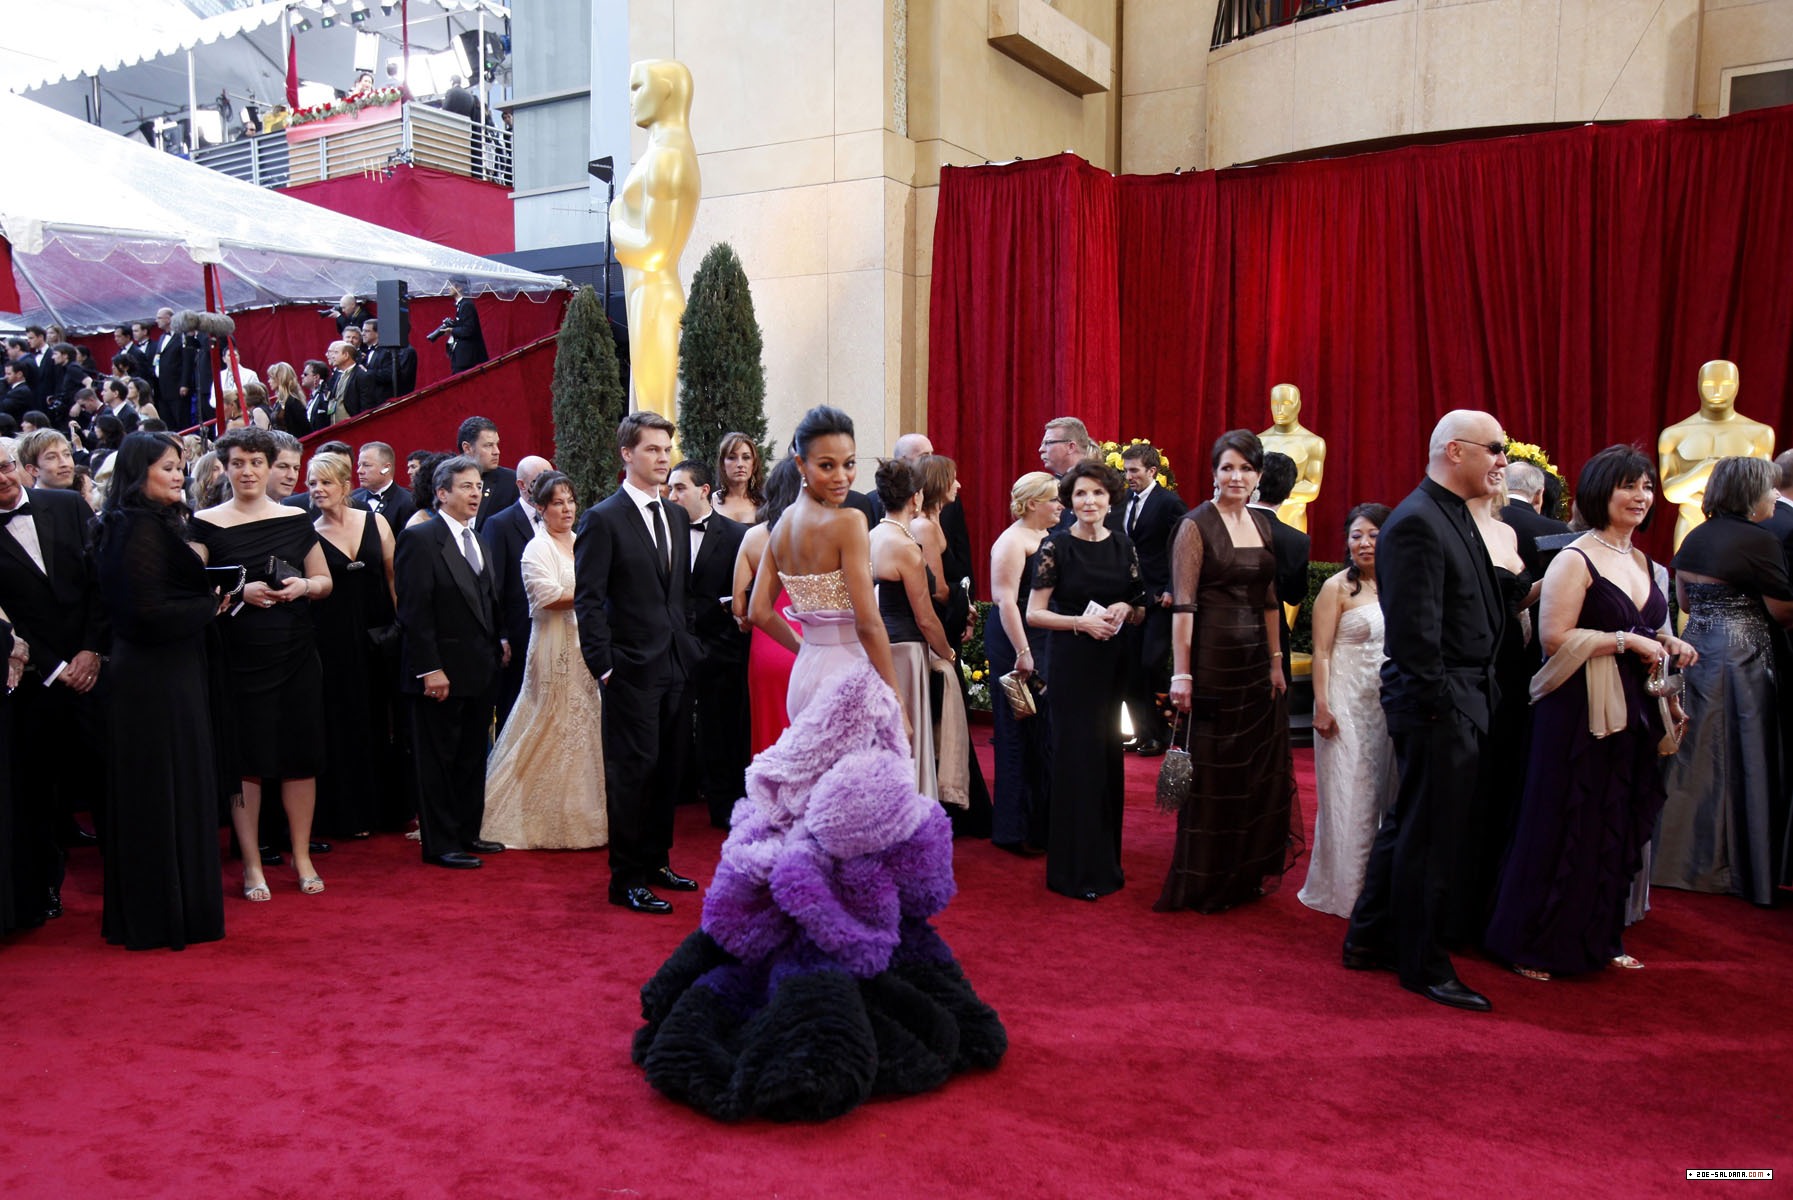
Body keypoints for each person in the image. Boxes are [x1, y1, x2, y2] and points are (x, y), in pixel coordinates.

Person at [631, 403, 1005, 1121]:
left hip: (810, 672)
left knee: (807, 808)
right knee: (846, 822)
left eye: (848, 464)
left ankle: (795, 933)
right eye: (826, 464)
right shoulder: (848, 524)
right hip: (851, 674)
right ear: (800, 463)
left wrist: (805, 646)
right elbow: (868, 620)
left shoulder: (776, 527)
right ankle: (842, 949)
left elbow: (756, 611)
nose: (839, 476)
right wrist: (890, 695)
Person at [1486, 445, 1698, 979]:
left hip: (1635, 710)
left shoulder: (1645, 562)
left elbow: (1654, 629)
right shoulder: (1573, 558)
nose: (1641, 496)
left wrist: (1670, 643)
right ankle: (1532, 942)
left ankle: (1600, 936)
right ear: (1602, 491)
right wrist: (1628, 641)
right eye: (1629, 486)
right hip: (1576, 711)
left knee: (1615, 823)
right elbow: (1554, 639)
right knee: (1564, 820)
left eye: (1647, 487)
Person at [1343, 411, 1507, 1012]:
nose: (1503, 460)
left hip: (1456, 697)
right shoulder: (1417, 520)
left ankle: (1368, 939)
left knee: (1410, 824)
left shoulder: (1452, 512)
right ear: (1455, 451)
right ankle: (1423, 963)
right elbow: (1415, 637)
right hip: (1439, 703)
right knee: (1432, 838)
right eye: (1495, 448)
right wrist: (1444, 707)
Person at [1157, 430, 1301, 916]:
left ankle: (1244, 872)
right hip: (1212, 662)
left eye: (1246, 469)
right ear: (1214, 473)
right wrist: (1182, 675)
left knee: (1254, 768)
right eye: (1228, 468)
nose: (1236, 477)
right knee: (1215, 769)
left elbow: (1269, 601)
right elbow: (1184, 606)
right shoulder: (1194, 525)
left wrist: (1276, 662)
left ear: (1258, 476)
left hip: (1257, 665)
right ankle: (1205, 879)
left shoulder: (1261, 524)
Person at [93, 433, 227, 949]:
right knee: (161, 790)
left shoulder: (143, 522)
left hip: (166, 670)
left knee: (171, 787)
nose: (178, 475)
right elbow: (145, 615)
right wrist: (213, 603)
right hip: (154, 678)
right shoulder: (137, 527)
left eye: (179, 466)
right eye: (167, 467)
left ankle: (170, 910)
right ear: (138, 472)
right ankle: (163, 915)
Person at [189, 429, 334, 900]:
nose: (247, 471)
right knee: (245, 762)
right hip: (238, 657)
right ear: (225, 468)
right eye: (238, 463)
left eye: (255, 462)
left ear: (269, 466)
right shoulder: (204, 523)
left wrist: (303, 587)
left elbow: (324, 580)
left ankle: (302, 856)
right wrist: (239, 592)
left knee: (300, 757)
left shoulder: (295, 518)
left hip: (295, 650)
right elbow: (191, 587)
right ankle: (252, 865)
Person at [574, 411, 702, 914]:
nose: (663, 458)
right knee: (632, 773)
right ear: (627, 454)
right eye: (652, 449)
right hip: (628, 669)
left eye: (667, 450)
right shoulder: (602, 519)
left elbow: (678, 592)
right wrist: (604, 666)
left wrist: (686, 646)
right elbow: (588, 601)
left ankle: (656, 862)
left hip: (674, 665)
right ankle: (625, 878)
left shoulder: (675, 515)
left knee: (669, 771)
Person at [1656, 456, 1793, 905]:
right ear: (1750, 494)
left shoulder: (1695, 535)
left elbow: (1685, 603)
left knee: (1694, 753)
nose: (1775, 496)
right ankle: (1734, 869)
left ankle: (1677, 861)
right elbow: (1782, 612)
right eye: (1769, 489)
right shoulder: (1760, 541)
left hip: (1696, 651)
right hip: (1742, 659)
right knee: (1743, 755)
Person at [1027, 460, 1144, 900]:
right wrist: (1081, 623)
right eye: (1080, 494)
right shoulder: (1055, 546)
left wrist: (1125, 609)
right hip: (1072, 664)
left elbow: (1140, 606)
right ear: (1070, 501)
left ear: (1111, 499)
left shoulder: (1123, 545)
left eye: (1097, 493)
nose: (1089, 501)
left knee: (1108, 757)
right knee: (1076, 761)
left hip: (1111, 663)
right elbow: (1034, 613)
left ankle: (1105, 865)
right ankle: (1072, 871)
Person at [0, 437, 105, 923]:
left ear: (20, 467)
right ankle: (45, 886)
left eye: (4, 466)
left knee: (110, 779)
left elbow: (101, 581)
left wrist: (90, 650)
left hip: (95, 670)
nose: (1, 478)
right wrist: (56, 666)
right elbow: (7, 618)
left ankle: (126, 877)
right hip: (32, 683)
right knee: (37, 791)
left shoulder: (67, 505)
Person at [481, 471, 608, 849]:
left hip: (585, 647)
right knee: (552, 721)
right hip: (553, 648)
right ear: (540, 508)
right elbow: (546, 598)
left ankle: (585, 817)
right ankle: (535, 815)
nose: (567, 509)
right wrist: (593, 592)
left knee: (585, 724)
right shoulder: (537, 548)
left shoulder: (581, 541)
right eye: (557, 503)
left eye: (570, 501)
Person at [393, 455, 509, 869]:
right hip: (439, 672)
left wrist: (500, 641)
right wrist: (430, 669)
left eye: (479, 486)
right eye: (465, 486)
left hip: (480, 669)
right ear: (441, 493)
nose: (476, 494)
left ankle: (467, 832)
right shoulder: (420, 539)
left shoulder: (477, 537)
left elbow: (486, 600)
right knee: (438, 759)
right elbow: (414, 611)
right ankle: (441, 843)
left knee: (472, 755)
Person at [1446, 472, 1539, 944]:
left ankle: (1491, 905)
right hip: (1471, 669)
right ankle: (1452, 912)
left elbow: (1514, 601)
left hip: (1514, 668)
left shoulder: (1507, 531)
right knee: (1468, 786)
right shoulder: (1451, 528)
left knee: (1503, 781)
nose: (1496, 469)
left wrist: (1553, 582)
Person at [1300, 503, 1397, 918]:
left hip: (1388, 703)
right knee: (1348, 794)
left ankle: (1379, 889)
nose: (1364, 543)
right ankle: (1344, 890)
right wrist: (1322, 705)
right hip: (1343, 701)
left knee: (1385, 793)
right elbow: (1321, 653)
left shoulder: (1399, 583)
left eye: (1374, 535)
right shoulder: (1336, 588)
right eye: (1357, 536)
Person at [307, 452, 398, 839]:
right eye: (312, 483)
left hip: (379, 636)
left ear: (345, 486)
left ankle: (385, 809)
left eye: (326, 482)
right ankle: (347, 813)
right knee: (342, 721)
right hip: (332, 642)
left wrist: (402, 629)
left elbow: (394, 579)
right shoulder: (309, 534)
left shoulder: (376, 522)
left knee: (381, 716)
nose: (318, 490)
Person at [667, 460, 751, 828]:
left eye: (680, 488)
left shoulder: (736, 535)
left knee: (722, 730)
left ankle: (724, 805)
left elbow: (746, 589)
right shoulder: (661, 532)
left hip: (722, 648)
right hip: (674, 649)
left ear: (704, 491)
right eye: (669, 489)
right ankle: (674, 796)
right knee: (671, 728)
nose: (672, 496)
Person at [871, 459, 960, 804]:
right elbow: (925, 618)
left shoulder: (870, 536)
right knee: (906, 739)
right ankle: (907, 809)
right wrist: (948, 652)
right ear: (916, 497)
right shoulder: (905, 546)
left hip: (874, 648)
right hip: (906, 651)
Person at [986, 471, 1061, 855]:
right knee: (1017, 733)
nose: (1061, 506)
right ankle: (1013, 830)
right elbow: (1005, 601)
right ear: (1033, 504)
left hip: (1042, 640)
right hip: (1014, 642)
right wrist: (1022, 651)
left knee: (1043, 734)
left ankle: (1042, 825)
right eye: (1054, 499)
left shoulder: (1045, 536)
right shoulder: (1012, 541)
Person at [1108, 443, 1183, 754]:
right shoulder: (1121, 501)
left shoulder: (1169, 503)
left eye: (1134, 471)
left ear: (1152, 471)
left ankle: (1168, 729)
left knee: (1151, 664)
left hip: (1159, 598)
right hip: (1128, 598)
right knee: (1130, 669)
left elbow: (1183, 548)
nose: (1129, 476)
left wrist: (1172, 587)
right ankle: (1143, 733)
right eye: (1126, 471)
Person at [734, 458, 803, 756]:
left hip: (768, 645)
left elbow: (739, 605)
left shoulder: (753, 537)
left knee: (770, 735)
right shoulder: (824, 536)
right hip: (813, 642)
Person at [481, 455, 553, 729]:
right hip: (519, 635)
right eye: (539, 480)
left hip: (554, 632)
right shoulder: (499, 524)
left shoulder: (559, 518)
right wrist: (500, 635)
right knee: (515, 712)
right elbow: (494, 585)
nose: (548, 485)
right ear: (522, 485)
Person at [1251, 452, 1311, 688]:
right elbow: (1295, 595)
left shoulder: (1221, 525)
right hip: (1272, 639)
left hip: (1220, 633)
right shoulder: (1296, 541)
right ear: (1288, 493)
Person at [457, 416, 517, 530]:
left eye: (497, 444)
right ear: (467, 448)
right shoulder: (447, 480)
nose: (497, 452)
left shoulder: (510, 482)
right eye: (488, 445)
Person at [352, 441, 417, 530]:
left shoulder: (408, 502)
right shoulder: (352, 498)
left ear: (386, 468)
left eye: (366, 465)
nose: (359, 471)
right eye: (359, 465)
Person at [710, 432, 764, 525]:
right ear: (723, 464)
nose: (740, 464)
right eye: (732, 458)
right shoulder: (711, 501)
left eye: (746, 457)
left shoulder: (765, 501)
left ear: (753, 463)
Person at [443, 276, 489, 373]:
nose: (448, 288)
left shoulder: (466, 305)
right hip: (463, 358)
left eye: (450, 285)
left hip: (468, 359)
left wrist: (452, 330)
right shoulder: (462, 305)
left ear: (459, 287)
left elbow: (468, 330)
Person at [265, 362, 310, 436]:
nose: (268, 381)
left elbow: (304, 428)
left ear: (280, 379)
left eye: (271, 378)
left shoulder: (292, 402)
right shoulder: (280, 401)